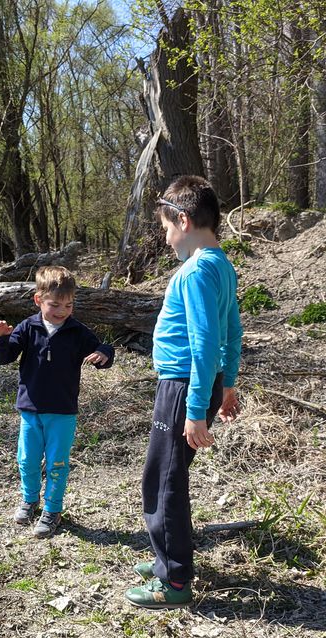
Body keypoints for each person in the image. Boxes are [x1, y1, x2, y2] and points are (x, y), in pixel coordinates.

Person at [126, 175, 242, 610]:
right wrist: (226, 385)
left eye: (166, 225)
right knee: (168, 474)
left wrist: (195, 409)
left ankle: (173, 580)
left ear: (184, 218)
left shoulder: (195, 271)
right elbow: (234, 330)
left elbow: (206, 342)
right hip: (199, 385)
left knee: (163, 479)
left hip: (182, 389)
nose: (165, 234)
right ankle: (166, 560)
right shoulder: (220, 264)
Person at [0, 266, 115, 537]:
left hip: (62, 411)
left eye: (68, 305)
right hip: (30, 409)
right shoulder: (28, 327)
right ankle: (30, 499)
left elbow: (102, 348)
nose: (62, 311)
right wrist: (1, 339)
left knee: (57, 462)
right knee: (27, 459)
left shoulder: (76, 331)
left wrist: (103, 355)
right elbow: (6, 357)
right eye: (55, 304)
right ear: (38, 300)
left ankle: (53, 509)